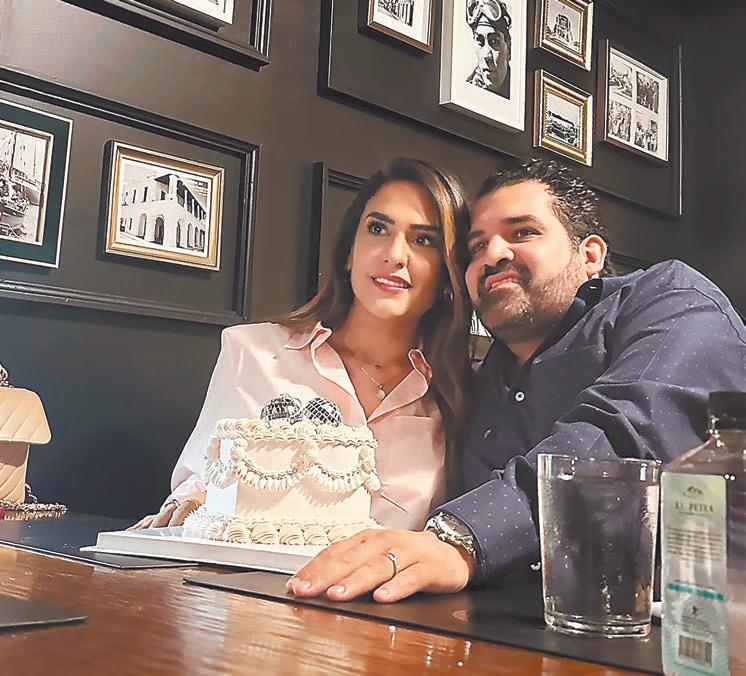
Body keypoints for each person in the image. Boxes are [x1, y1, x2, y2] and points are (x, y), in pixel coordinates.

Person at [287, 157, 746, 604]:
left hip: (699, 626)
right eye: (475, 247)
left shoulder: (670, 300)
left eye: (523, 232)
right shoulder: (472, 384)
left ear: (590, 255)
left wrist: (462, 538)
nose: (493, 255)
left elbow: (627, 431)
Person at [132, 158, 473, 531]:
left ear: (448, 272)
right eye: (377, 229)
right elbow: (201, 479)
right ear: (349, 252)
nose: (394, 254)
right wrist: (197, 503)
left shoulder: (456, 395)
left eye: (424, 240)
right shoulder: (253, 352)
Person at [466, 0, 511, 98]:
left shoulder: (519, 90)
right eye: (480, 42)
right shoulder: (467, 92)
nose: (487, 56)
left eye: (494, 42)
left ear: (509, 49)